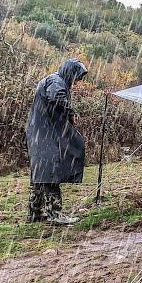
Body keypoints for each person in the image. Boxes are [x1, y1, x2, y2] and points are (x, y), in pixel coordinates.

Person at [25, 58, 88, 224]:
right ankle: (55, 215)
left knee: (40, 174)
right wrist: (71, 113)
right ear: (70, 72)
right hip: (44, 134)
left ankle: (35, 214)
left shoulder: (53, 80)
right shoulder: (56, 81)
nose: (77, 81)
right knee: (50, 171)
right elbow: (57, 97)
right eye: (77, 77)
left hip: (39, 132)